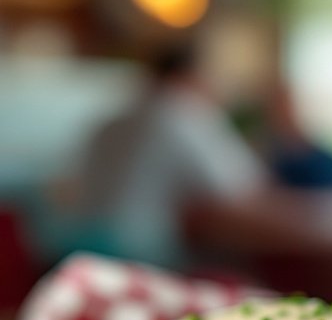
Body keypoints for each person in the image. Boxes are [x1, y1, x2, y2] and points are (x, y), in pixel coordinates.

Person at [54, 44, 268, 272]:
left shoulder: (111, 121)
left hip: (75, 251)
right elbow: (239, 186)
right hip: (139, 255)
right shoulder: (184, 113)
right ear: (191, 75)